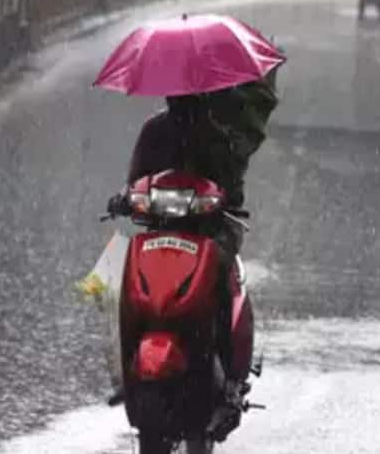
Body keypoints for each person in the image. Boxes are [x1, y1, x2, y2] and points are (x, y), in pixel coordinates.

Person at [107, 66, 280, 374]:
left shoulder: (223, 132)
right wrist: (124, 199)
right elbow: (135, 179)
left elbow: (232, 182)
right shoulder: (154, 130)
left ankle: (228, 366)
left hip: (216, 227)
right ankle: (125, 359)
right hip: (161, 229)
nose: (179, 98)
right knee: (124, 279)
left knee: (221, 274)